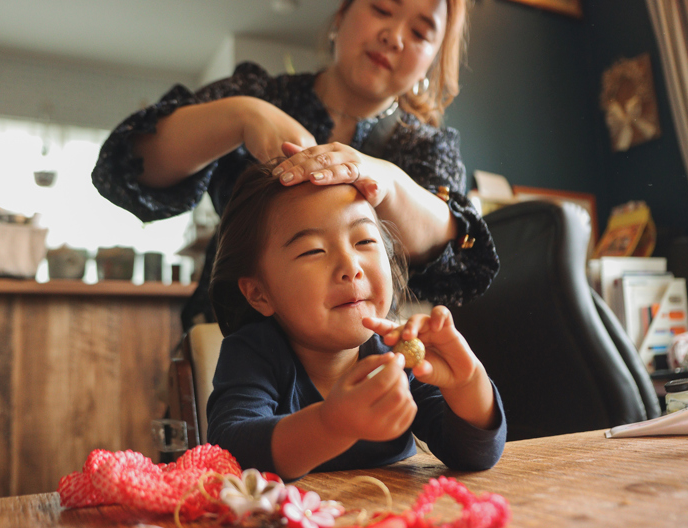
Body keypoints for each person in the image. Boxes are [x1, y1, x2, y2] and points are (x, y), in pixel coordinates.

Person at [91, 0, 500, 331]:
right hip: (229, 347)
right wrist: (243, 116)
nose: (393, 37)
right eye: (381, 9)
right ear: (342, 14)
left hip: (357, 367)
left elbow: (456, 251)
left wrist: (385, 180)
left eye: (420, 32)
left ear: (432, 59)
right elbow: (127, 170)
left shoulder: (427, 146)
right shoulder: (260, 92)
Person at [207, 162, 506, 480]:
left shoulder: (397, 353)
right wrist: (329, 426)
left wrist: (466, 382)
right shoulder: (253, 353)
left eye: (364, 241)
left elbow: (473, 454)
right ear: (259, 293)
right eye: (313, 251)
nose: (350, 266)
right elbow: (229, 451)